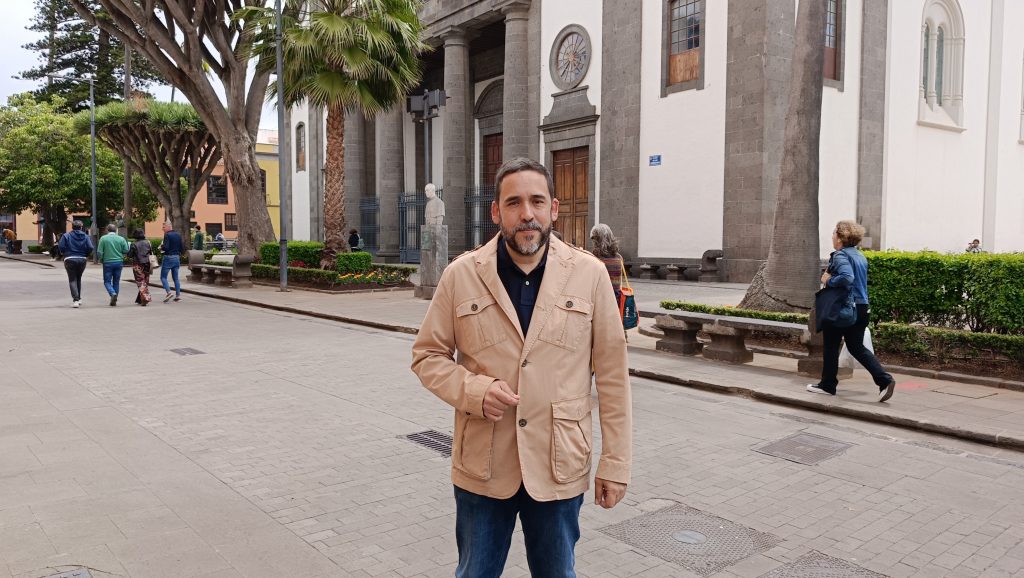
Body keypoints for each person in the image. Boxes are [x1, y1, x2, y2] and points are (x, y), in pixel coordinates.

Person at [411, 157, 632, 577]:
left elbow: (613, 377)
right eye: (514, 203)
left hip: (559, 463)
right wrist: (474, 391)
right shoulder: (461, 275)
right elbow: (427, 356)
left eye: (536, 201)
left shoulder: (589, 275)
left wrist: (615, 463)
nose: (526, 214)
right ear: (496, 212)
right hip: (484, 463)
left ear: (554, 207)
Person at [808, 220, 896, 402]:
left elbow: (847, 278)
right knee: (856, 346)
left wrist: (828, 280)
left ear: (841, 238)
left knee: (831, 345)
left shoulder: (840, 256)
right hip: (862, 307)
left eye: (834, 233)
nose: (832, 236)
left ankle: (827, 385)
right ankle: (884, 380)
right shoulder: (859, 256)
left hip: (843, 307)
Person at [57, 220, 94, 308]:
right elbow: (90, 247)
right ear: (81, 227)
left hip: (69, 259)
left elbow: (61, 246)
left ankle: (76, 300)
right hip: (82, 259)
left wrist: (64, 253)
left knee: (72, 279)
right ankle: (79, 298)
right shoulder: (86, 236)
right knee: (78, 278)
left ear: (72, 227)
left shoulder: (66, 236)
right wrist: (86, 254)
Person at [96, 223, 130, 306]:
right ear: (116, 230)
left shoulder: (103, 238)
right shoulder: (121, 239)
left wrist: (101, 259)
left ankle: (112, 293)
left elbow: (99, 252)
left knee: (107, 281)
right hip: (119, 262)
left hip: (107, 263)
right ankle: (115, 298)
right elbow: (126, 250)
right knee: (116, 281)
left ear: (107, 230)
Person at [127, 229, 154, 306]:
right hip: (147, 263)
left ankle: (146, 298)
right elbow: (151, 252)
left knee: (140, 281)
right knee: (145, 281)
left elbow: (130, 255)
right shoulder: (148, 242)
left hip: (138, 264)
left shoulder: (134, 244)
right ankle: (140, 299)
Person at [159, 222, 185, 303]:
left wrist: (161, 247)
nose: (162, 229)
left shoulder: (167, 235)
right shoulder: (178, 234)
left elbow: (166, 247)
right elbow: (182, 248)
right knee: (176, 278)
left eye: (163, 227)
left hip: (168, 257)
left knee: (163, 277)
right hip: (176, 257)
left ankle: (169, 292)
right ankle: (178, 296)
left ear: (168, 227)